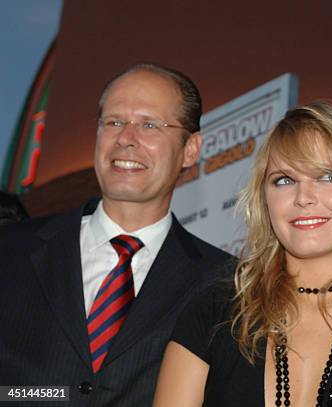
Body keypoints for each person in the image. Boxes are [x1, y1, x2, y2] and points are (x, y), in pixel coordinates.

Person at [153, 101, 332, 406]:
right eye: (284, 180)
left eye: (327, 176)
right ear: (264, 200)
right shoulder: (213, 312)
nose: (303, 197)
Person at [0, 63, 233, 406]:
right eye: (114, 122)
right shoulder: (10, 252)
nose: (126, 138)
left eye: (149, 125)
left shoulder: (227, 285)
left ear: (191, 149)